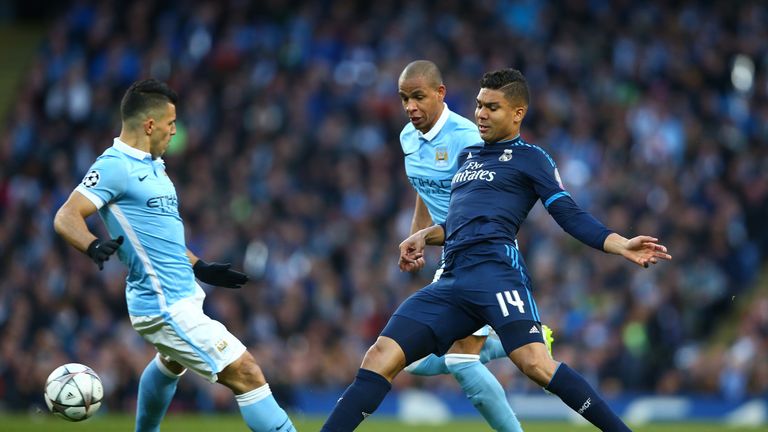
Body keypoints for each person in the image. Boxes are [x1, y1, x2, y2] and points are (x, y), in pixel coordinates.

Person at [321, 68, 672, 432]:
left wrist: (620, 244)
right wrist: (424, 237)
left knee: (535, 363)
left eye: (492, 107)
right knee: (380, 355)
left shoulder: (532, 158)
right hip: (452, 280)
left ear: (517, 113)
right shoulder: (467, 157)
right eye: (478, 105)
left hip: (496, 274)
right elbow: (458, 225)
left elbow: (569, 214)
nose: (480, 115)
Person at [53, 79, 295, 432]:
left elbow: (160, 237)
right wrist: (90, 244)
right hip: (162, 304)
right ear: (150, 125)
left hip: (181, 295)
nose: (174, 131)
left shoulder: (156, 167)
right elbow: (66, 215)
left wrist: (200, 266)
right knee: (246, 372)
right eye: (171, 123)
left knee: (170, 363)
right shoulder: (114, 166)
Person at [396, 60, 529, 431]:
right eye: (404, 99)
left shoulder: (469, 137)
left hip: (483, 251)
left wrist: (428, 235)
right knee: (413, 361)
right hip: (449, 252)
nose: (410, 107)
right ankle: (518, 339)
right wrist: (416, 235)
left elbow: (483, 204)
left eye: (418, 97)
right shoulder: (409, 138)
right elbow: (425, 187)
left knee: (459, 361)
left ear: (440, 93)